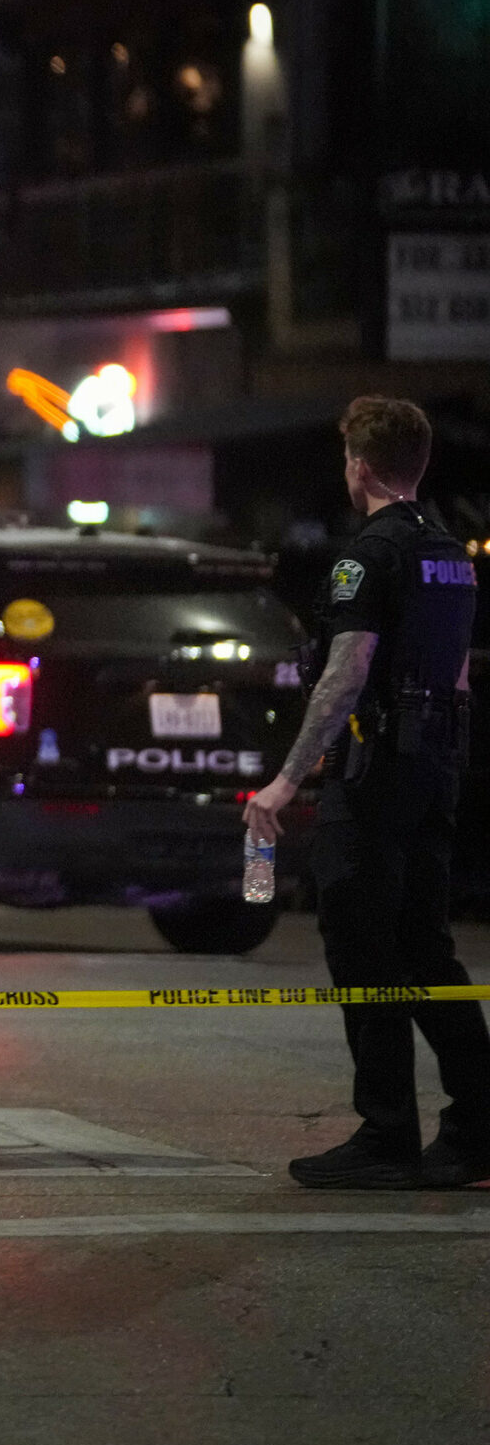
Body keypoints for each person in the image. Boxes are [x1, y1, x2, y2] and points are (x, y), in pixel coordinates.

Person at [246, 396, 486, 1190]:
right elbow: (455, 674)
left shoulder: (367, 556)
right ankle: (478, 1127)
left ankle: (386, 1131)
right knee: (426, 950)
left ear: (360, 464)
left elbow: (346, 676)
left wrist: (285, 781)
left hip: (376, 773)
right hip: (434, 769)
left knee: (360, 949)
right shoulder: (451, 552)